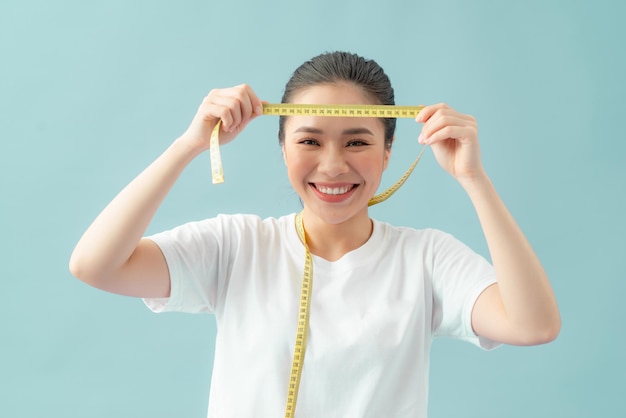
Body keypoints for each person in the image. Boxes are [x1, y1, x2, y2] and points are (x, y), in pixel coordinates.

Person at [69, 51, 560, 417]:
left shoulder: (426, 258)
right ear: (283, 147)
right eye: (309, 140)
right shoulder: (237, 246)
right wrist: (190, 143)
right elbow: (96, 265)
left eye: (357, 142)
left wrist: (475, 180)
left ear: (388, 153)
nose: (332, 165)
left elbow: (532, 325)